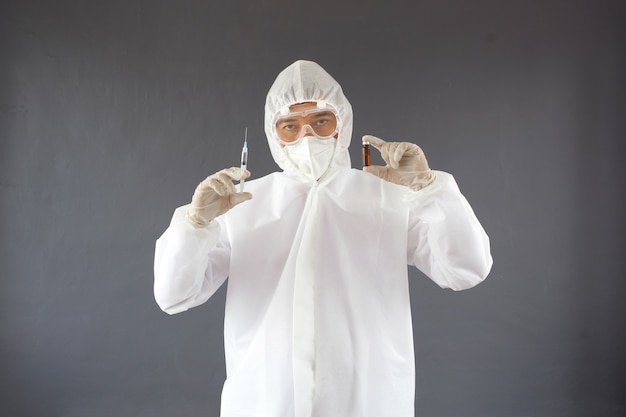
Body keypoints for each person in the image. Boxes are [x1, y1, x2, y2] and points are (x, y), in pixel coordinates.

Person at [154, 60, 492, 417]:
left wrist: (427, 187)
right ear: (274, 133)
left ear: (341, 124)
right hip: (265, 400)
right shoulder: (242, 203)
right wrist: (196, 223)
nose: (306, 135)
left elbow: (466, 269)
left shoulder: (386, 196)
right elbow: (175, 296)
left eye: (320, 121)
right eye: (290, 126)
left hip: (367, 400)